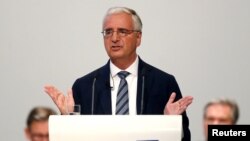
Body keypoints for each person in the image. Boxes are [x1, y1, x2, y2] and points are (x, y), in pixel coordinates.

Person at [44, 6, 193, 141]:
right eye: (108, 32)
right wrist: (67, 119)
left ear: (138, 38)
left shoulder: (163, 83)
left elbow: (185, 136)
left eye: (122, 31)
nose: (114, 38)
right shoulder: (85, 86)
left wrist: (171, 124)